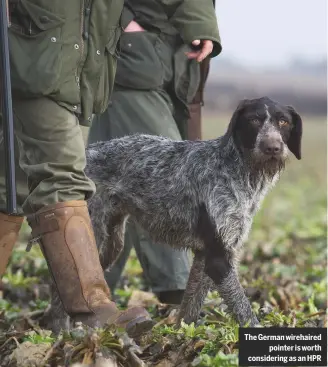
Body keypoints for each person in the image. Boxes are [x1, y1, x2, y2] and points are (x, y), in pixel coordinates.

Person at [0, 0, 153, 335]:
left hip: (87, 68)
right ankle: (93, 308)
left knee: (11, 184)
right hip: (35, 54)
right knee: (63, 176)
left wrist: (197, 26)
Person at [88, 0, 221, 304]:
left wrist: (202, 27)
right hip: (135, 58)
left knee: (112, 192)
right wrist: (122, 21)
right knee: (163, 178)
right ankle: (173, 294)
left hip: (168, 59)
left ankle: (88, 292)